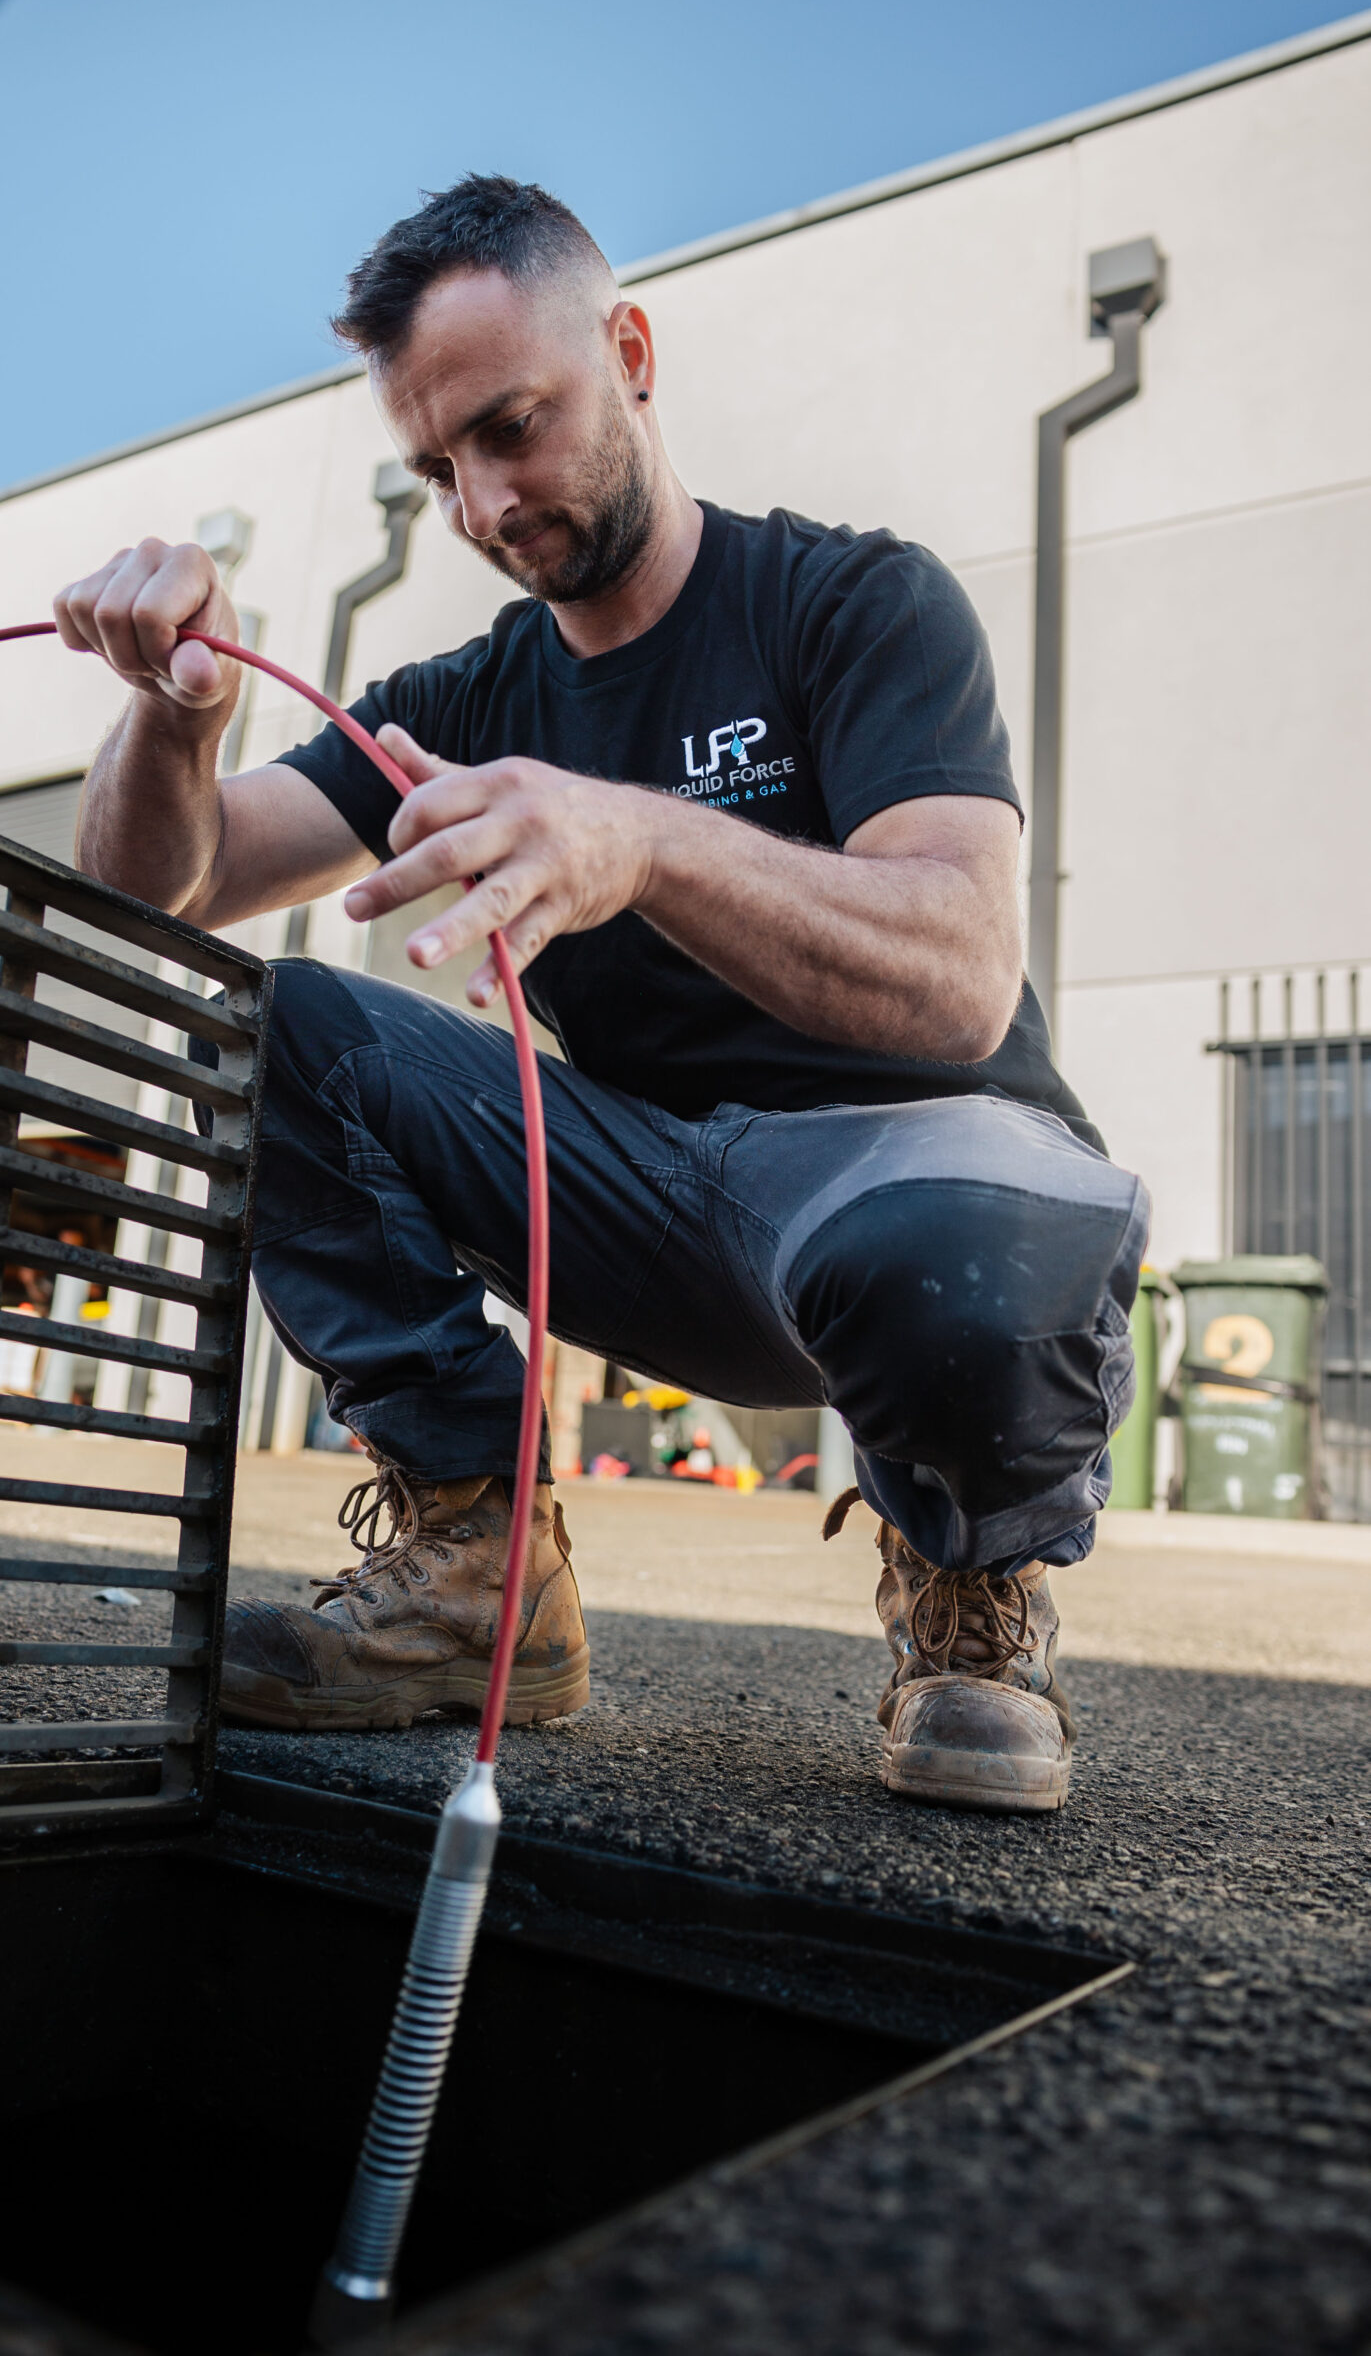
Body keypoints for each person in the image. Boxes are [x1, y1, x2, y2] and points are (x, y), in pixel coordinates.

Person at [55, 175, 1148, 1815]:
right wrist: (172, 716)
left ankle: (972, 1592)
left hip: (918, 1182)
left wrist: (641, 841)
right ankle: (480, 1559)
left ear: (629, 353)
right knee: (273, 1027)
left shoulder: (853, 604)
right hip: (652, 1198)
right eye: (439, 469)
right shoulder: (470, 694)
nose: (486, 507)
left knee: (968, 1235)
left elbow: (956, 979)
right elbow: (156, 895)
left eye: (514, 428)